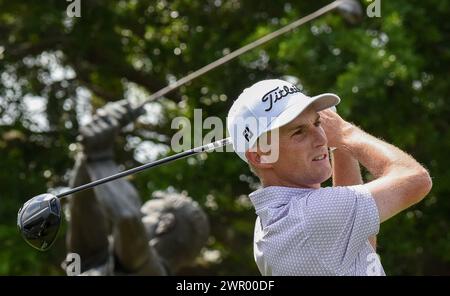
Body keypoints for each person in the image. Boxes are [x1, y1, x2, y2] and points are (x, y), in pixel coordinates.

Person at [227, 79, 432, 276]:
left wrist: (339, 145)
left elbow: (358, 240)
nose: (321, 138)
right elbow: (415, 179)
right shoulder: (310, 216)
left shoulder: (271, 219)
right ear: (261, 156)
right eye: (299, 132)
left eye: (318, 123)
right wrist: (345, 132)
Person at [64, 100, 209, 275]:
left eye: (145, 214)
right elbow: (84, 209)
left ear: (164, 224)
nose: (139, 215)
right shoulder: (102, 262)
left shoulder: (151, 271)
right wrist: (88, 153)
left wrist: (100, 156)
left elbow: (128, 217)